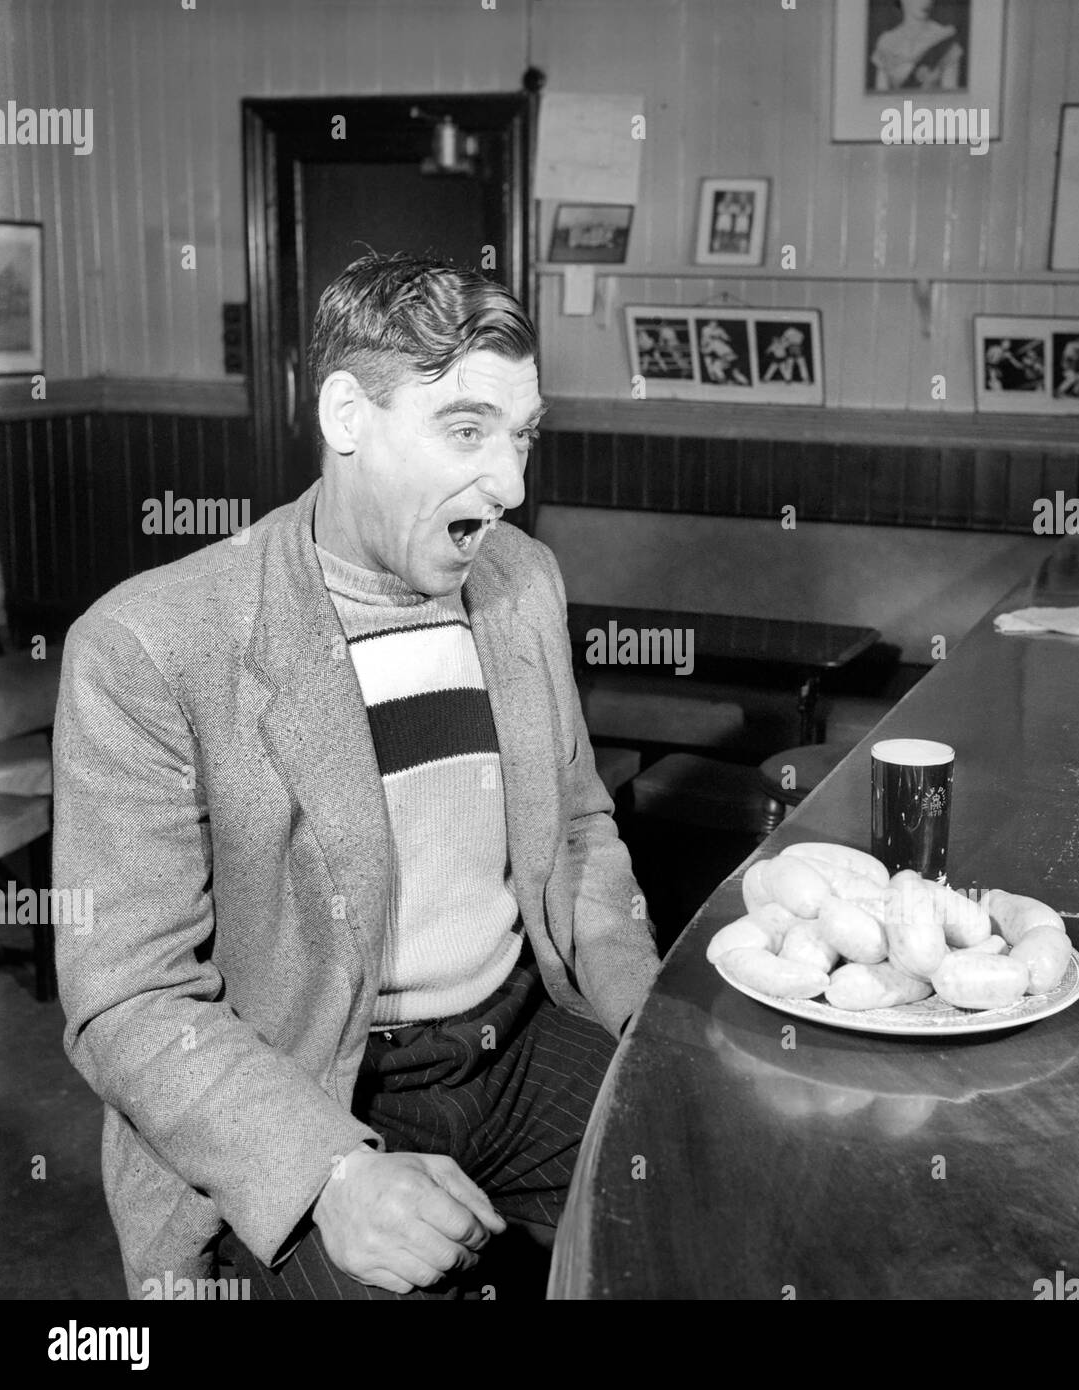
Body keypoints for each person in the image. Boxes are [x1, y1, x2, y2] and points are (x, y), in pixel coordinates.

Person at [52, 252, 662, 1300]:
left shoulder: (523, 583)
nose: (511, 486)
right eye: (466, 431)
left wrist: (640, 1003)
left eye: (521, 437)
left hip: (516, 1037)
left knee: (690, 1206)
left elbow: (575, 827)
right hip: (303, 1079)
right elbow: (129, 998)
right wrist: (331, 1171)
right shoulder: (149, 643)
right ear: (346, 413)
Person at [870, 0, 963, 92]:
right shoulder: (886, 42)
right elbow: (879, 98)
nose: (925, 2)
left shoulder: (944, 38)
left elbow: (951, 99)